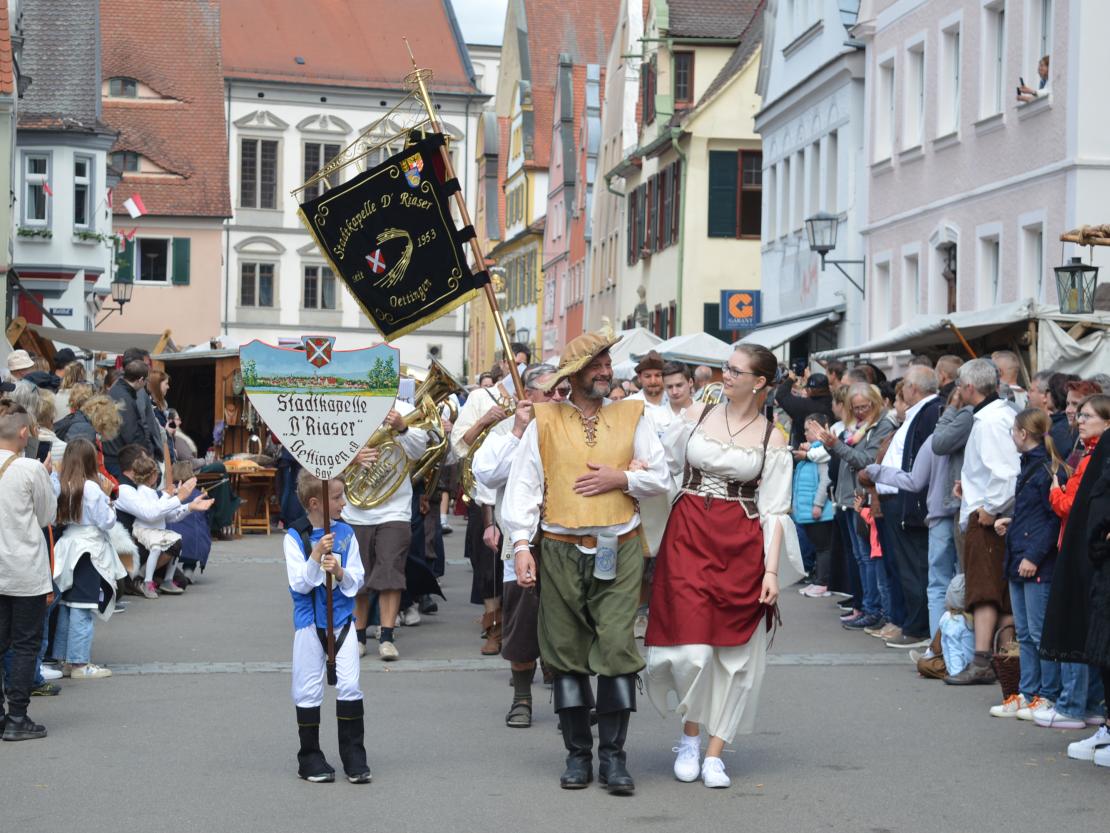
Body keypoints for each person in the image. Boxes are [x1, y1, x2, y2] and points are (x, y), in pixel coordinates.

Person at [502, 330, 670, 793]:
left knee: (617, 644)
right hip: (558, 547)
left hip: (619, 544)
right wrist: (520, 545)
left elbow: (662, 476)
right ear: (573, 375)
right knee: (565, 651)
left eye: (606, 362)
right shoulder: (544, 420)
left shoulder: (634, 414)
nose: (605, 370)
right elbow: (523, 488)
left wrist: (622, 478)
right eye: (595, 364)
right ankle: (578, 755)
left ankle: (614, 758)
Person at [645, 344, 801, 789]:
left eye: (735, 370)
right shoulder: (696, 415)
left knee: (734, 657)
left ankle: (715, 750)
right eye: (725, 368)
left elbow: (774, 511)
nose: (724, 375)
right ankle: (689, 737)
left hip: (741, 542)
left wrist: (771, 572)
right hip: (689, 534)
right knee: (689, 650)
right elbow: (667, 467)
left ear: (759, 383)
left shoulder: (774, 437)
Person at [471, 363, 556, 728]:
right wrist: (519, 431)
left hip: (565, 537)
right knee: (522, 619)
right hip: (521, 540)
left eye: (561, 391)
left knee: (567, 617)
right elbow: (487, 475)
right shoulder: (506, 430)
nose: (557, 398)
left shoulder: (573, 425)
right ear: (529, 395)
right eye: (549, 392)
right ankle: (522, 697)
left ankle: (571, 693)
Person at [285, 473, 371, 784]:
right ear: (315, 503)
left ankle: (353, 755)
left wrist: (340, 570)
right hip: (309, 624)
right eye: (337, 497)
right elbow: (299, 582)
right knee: (308, 688)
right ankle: (309, 757)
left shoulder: (347, 533)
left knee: (349, 685)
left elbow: (357, 579)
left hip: (343, 621)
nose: (344, 502)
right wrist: (316, 555)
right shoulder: (295, 535)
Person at [945, 359, 1020, 685]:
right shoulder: (998, 415)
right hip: (990, 510)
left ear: (970, 387)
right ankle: (1007, 661)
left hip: (989, 518)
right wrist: (972, 487)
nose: (958, 391)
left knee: (984, 591)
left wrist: (989, 507)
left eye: (960, 385)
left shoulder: (990, 422)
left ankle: (983, 661)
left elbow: (1006, 473)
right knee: (999, 593)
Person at [987, 409, 1066, 718]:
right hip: (1021, 554)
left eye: (1013, 431)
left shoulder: (1046, 470)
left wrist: (1033, 555)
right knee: (1026, 632)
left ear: (1022, 434)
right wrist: (1013, 522)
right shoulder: (1036, 467)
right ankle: (1029, 692)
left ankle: (1045, 694)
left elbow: (1051, 520)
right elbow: (1039, 515)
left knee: (1038, 632)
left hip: (1034, 561)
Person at [864, 366, 942, 647]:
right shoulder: (919, 412)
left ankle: (918, 628)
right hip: (897, 497)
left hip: (908, 498)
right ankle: (913, 623)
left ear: (914, 388)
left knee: (914, 567)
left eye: (905, 385)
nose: (902, 390)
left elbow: (924, 462)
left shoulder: (929, 411)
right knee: (904, 566)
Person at [342, 405, 427, 661]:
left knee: (391, 570)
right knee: (358, 576)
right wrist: (352, 458)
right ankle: (357, 637)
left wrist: (402, 427)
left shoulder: (404, 410)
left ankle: (387, 636)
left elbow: (419, 450)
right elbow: (327, 454)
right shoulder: (347, 408)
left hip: (395, 509)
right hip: (355, 509)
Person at [815, 384, 896, 631]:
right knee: (861, 558)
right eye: (856, 407)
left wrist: (836, 445)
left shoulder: (882, 425)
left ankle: (874, 609)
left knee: (868, 558)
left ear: (875, 402)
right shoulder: (858, 428)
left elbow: (866, 462)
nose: (860, 412)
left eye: (864, 406)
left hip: (864, 499)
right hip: (850, 497)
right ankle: (864, 606)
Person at [0, 399, 57, 741]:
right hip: (24, 570)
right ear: (24, 433)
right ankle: (18, 717)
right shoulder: (30, 469)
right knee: (24, 644)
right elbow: (46, 517)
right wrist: (47, 476)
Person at [50, 438, 127, 681]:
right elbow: (107, 521)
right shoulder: (92, 488)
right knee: (83, 606)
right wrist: (108, 500)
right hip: (89, 549)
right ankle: (80, 663)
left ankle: (63, 659)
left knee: (67, 606)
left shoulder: (60, 484)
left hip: (67, 547)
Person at [451, 371, 513, 654]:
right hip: (483, 492)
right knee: (488, 565)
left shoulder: (537, 398)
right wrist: (486, 419)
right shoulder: (478, 398)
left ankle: (516, 625)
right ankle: (494, 627)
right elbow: (459, 446)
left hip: (522, 492)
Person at [115, 446, 211, 598]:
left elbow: (165, 515)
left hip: (144, 541)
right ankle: (135, 580)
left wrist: (189, 507)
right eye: (145, 459)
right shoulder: (124, 489)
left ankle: (152, 577)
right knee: (171, 544)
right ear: (135, 464)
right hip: (131, 547)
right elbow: (151, 514)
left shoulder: (143, 487)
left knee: (181, 581)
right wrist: (177, 497)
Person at [793, 414, 835, 598]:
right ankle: (818, 580)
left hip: (819, 510)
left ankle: (822, 582)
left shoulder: (821, 453)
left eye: (808, 429)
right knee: (819, 546)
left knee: (823, 547)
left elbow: (825, 480)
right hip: (808, 509)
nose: (805, 433)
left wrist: (818, 504)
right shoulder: (812, 452)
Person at [103, 361, 162, 477]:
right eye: (146, 381)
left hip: (114, 455)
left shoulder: (115, 391)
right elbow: (131, 434)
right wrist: (145, 455)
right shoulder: (125, 399)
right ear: (140, 380)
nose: (145, 385)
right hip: (121, 460)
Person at [776, 371, 833, 449]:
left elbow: (781, 395)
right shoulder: (834, 404)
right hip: (829, 449)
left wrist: (791, 378)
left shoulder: (802, 405)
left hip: (803, 449)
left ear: (809, 390)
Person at [628, 350, 670, 436]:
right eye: (647, 376)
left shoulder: (675, 402)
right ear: (639, 378)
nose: (653, 381)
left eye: (658, 375)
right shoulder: (629, 404)